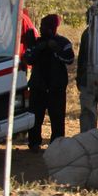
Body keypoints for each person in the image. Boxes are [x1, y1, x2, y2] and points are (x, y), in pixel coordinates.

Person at [25, 14, 74, 151]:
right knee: (35, 117)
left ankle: (57, 146)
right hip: (38, 87)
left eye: (44, 27)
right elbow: (28, 59)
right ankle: (34, 143)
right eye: (40, 26)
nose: (41, 29)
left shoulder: (63, 43)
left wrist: (56, 49)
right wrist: (37, 48)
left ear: (52, 28)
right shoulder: (36, 43)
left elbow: (69, 59)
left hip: (56, 88)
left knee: (57, 118)